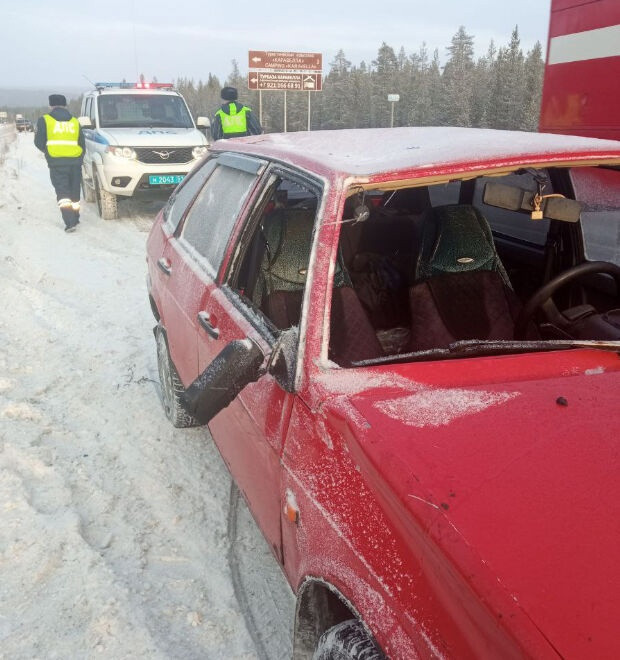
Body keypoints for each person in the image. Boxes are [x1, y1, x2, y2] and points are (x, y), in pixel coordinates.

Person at [34, 94, 85, 232]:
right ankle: (75, 217)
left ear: (51, 105)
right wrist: (79, 158)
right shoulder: (75, 121)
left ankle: (70, 223)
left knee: (63, 192)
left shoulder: (44, 120)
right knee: (74, 191)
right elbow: (82, 143)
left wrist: (48, 151)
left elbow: (38, 142)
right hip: (75, 162)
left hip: (57, 163)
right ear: (65, 105)